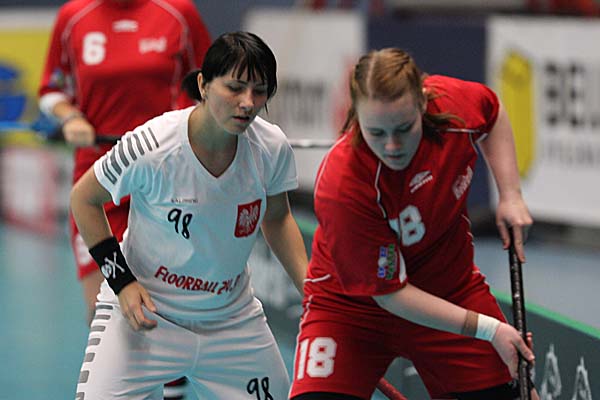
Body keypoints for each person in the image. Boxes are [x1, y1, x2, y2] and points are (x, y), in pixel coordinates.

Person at [289, 48, 539, 400]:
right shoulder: (342, 183)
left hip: (450, 292)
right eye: (376, 132)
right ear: (355, 114)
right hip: (350, 310)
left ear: (422, 102)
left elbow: (492, 113)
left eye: (404, 128)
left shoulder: (452, 105)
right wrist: (488, 329)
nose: (392, 146)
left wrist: (510, 194)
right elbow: (389, 294)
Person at [70, 31, 308, 399]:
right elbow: (84, 199)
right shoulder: (152, 145)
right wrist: (122, 282)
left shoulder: (271, 147)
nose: (247, 103)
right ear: (203, 85)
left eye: (259, 91)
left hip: (232, 322)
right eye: (235, 88)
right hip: (146, 317)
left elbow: (276, 217)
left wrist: (311, 289)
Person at [38, 2, 210, 397]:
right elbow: (50, 89)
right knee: (105, 309)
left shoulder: (179, 13)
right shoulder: (73, 17)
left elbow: (212, 85)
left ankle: (172, 390)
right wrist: (70, 116)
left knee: (166, 307)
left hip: (166, 178)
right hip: (98, 183)